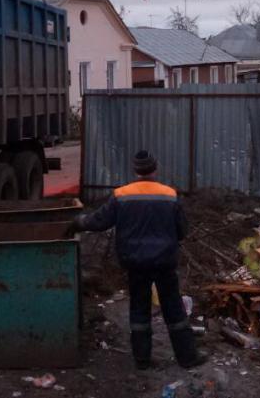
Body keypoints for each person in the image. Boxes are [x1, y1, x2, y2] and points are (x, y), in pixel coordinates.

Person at [71, 150, 204, 370]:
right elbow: (182, 231)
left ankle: (142, 360)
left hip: (135, 262)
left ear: (135, 171)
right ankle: (188, 358)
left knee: (139, 309)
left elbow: (99, 221)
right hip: (164, 262)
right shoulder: (170, 195)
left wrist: (78, 222)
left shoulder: (122, 194)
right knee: (174, 309)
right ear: (155, 169)